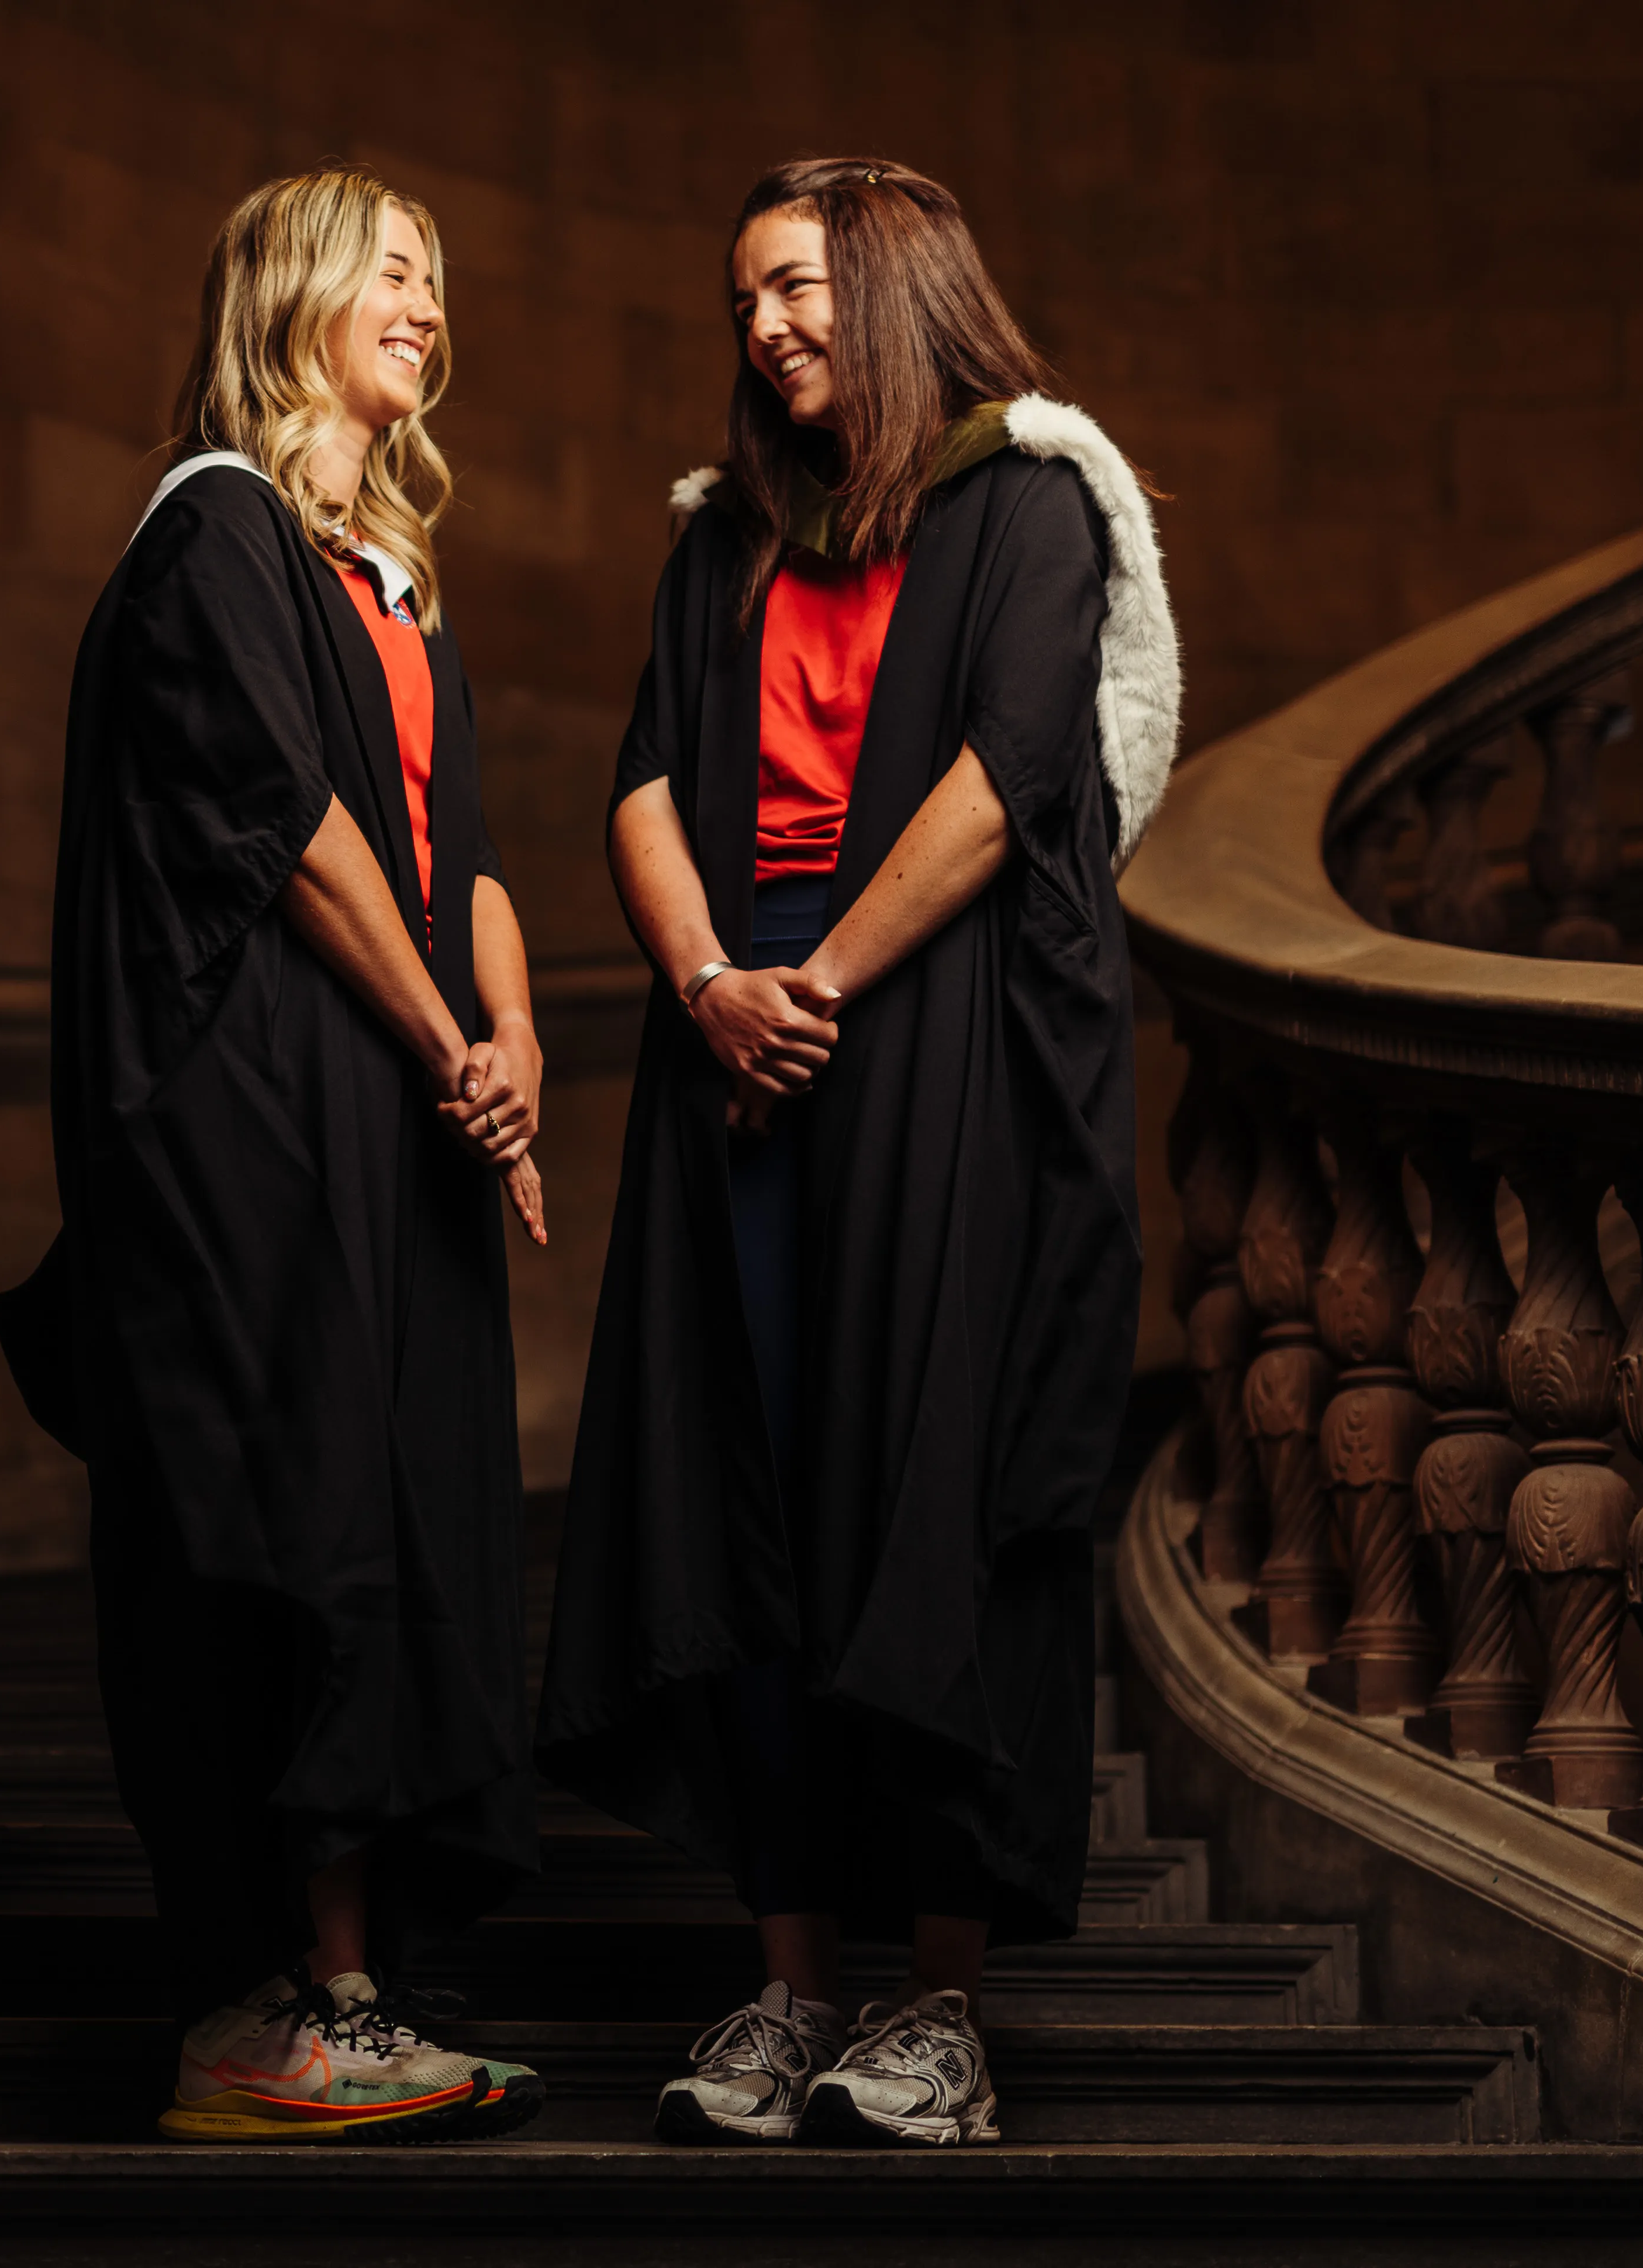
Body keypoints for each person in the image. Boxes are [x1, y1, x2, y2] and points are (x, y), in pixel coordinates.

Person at [536, 157, 1179, 2149]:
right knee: (747, 1501)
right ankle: (790, 1981)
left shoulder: (1032, 499)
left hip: (944, 1054)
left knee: (938, 1485)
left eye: (796, 288)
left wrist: (810, 978)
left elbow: (1011, 777)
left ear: (897, 283)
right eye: (743, 300)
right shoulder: (725, 538)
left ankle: (944, 2009)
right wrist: (718, 978)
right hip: (741, 1046)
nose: (765, 330)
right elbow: (642, 774)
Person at [0, 165, 554, 2145]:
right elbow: (300, 833)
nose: (426, 300)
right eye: (392, 269)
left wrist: (514, 1043)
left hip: (386, 1121)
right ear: (296, 293)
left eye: (436, 275)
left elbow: (452, 849)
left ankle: (344, 1990)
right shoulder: (216, 532)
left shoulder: (391, 582)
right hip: (260, 1125)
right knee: (290, 1531)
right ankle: (258, 2010)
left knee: (396, 1532)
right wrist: (439, 1037)